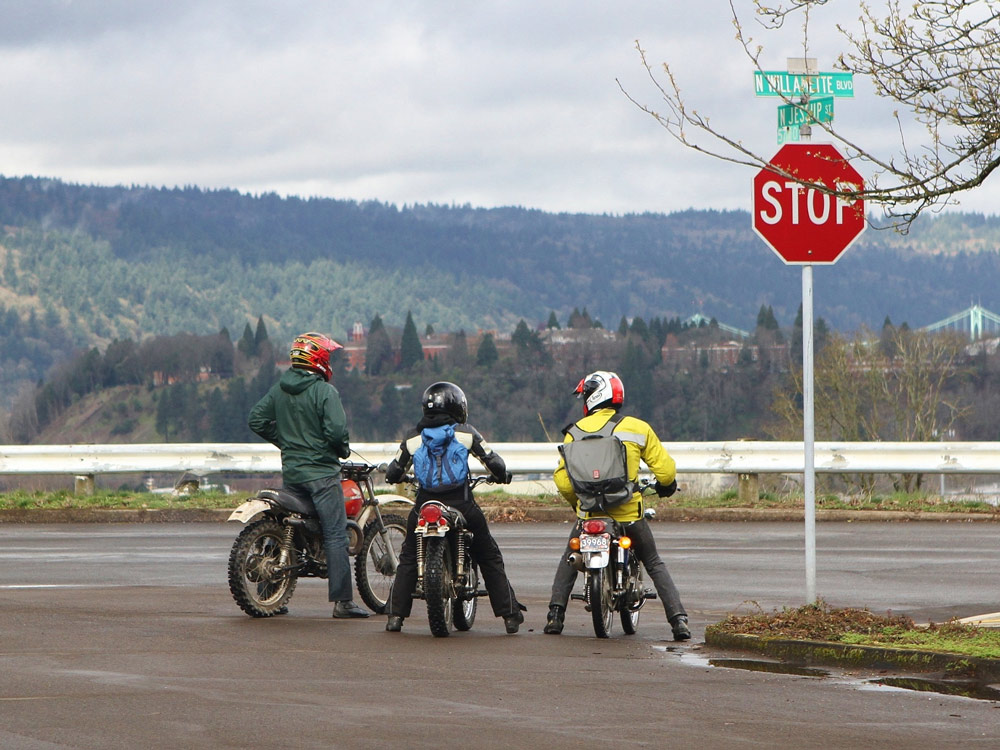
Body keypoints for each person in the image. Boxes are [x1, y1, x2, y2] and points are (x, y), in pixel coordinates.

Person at [544, 370, 691, 641]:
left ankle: (555, 615)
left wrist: (579, 505)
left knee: (569, 558)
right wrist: (666, 486)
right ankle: (678, 620)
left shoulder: (573, 433)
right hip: (628, 514)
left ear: (592, 397)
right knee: (653, 561)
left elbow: (564, 482)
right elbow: (666, 472)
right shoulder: (636, 428)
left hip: (589, 515)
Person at [383, 381, 526, 634]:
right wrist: (501, 476)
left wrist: (399, 476)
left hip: (424, 504)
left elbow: (394, 471)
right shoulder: (466, 433)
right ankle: (509, 615)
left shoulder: (413, 437)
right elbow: (495, 463)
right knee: (489, 556)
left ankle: (395, 616)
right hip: (461, 503)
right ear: (458, 407)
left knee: (409, 557)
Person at [248, 332, 369, 619]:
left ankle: (268, 595)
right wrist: (342, 450)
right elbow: (337, 433)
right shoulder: (325, 392)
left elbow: (256, 419)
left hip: (293, 474)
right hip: (323, 474)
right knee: (335, 534)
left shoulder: (279, 389)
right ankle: (343, 602)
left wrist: (285, 441)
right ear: (320, 359)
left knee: (285, 526)